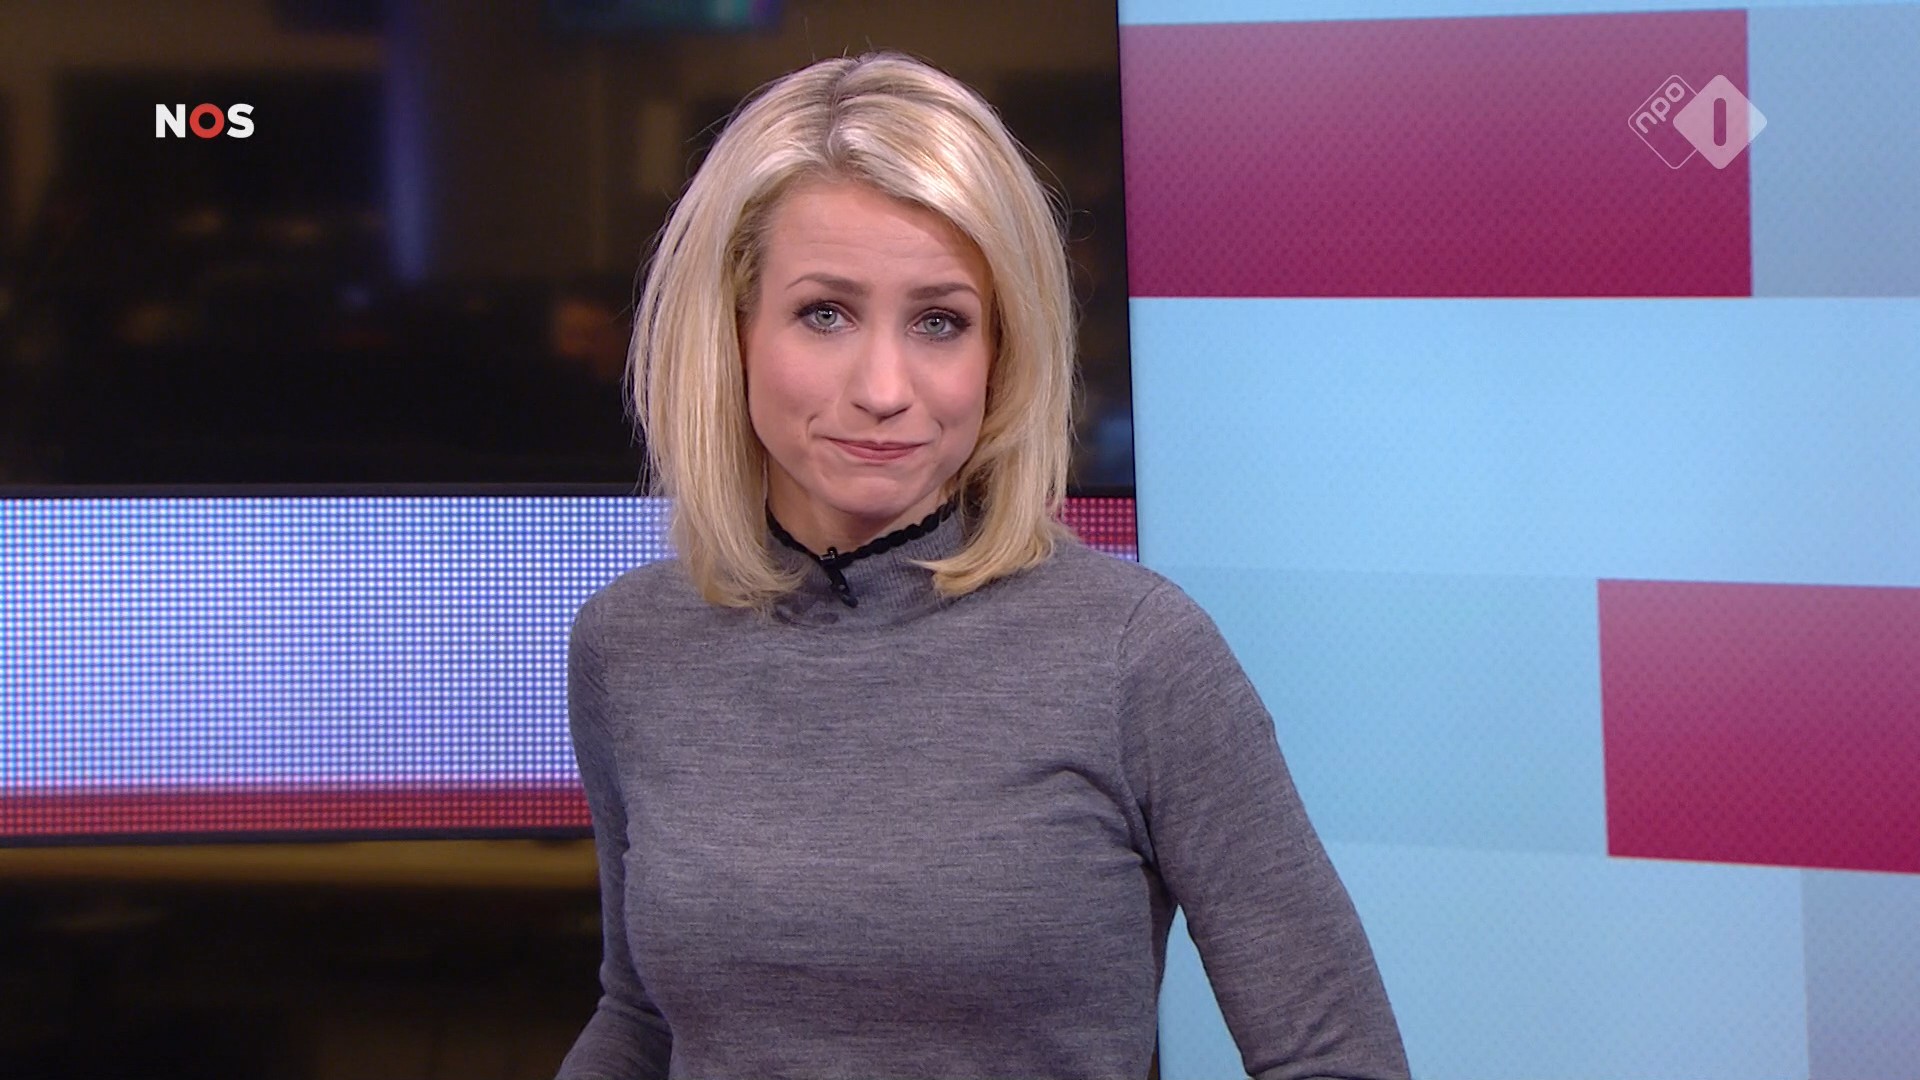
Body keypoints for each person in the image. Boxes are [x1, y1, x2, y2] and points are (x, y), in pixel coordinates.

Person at [557, 51, 1409, 1080]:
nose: (883, 387)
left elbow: (1336, 1057)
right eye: (825, 313)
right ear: (734, 331)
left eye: (940, 322)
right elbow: (641, 1020)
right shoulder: (631, 645)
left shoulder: (1137, 654)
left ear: (1003, 352)